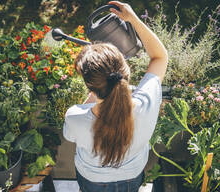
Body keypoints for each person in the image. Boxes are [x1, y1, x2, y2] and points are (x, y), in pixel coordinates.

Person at [63, 1, 168, 191]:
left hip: (91, 179)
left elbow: (70, 136)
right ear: (125, 71)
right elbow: (160, 57)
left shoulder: (74, 116)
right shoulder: (146, 104)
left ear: (90, 85)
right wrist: (133, 19)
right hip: (132, 176)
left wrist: (94, 94)